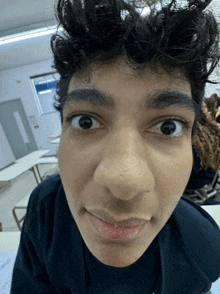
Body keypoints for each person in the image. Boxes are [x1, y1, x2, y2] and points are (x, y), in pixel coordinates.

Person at [11, 0, 220, 293]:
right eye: (86, 121)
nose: (124, 180)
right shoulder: (45, 212)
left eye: (167, 126)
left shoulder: (202, 249)